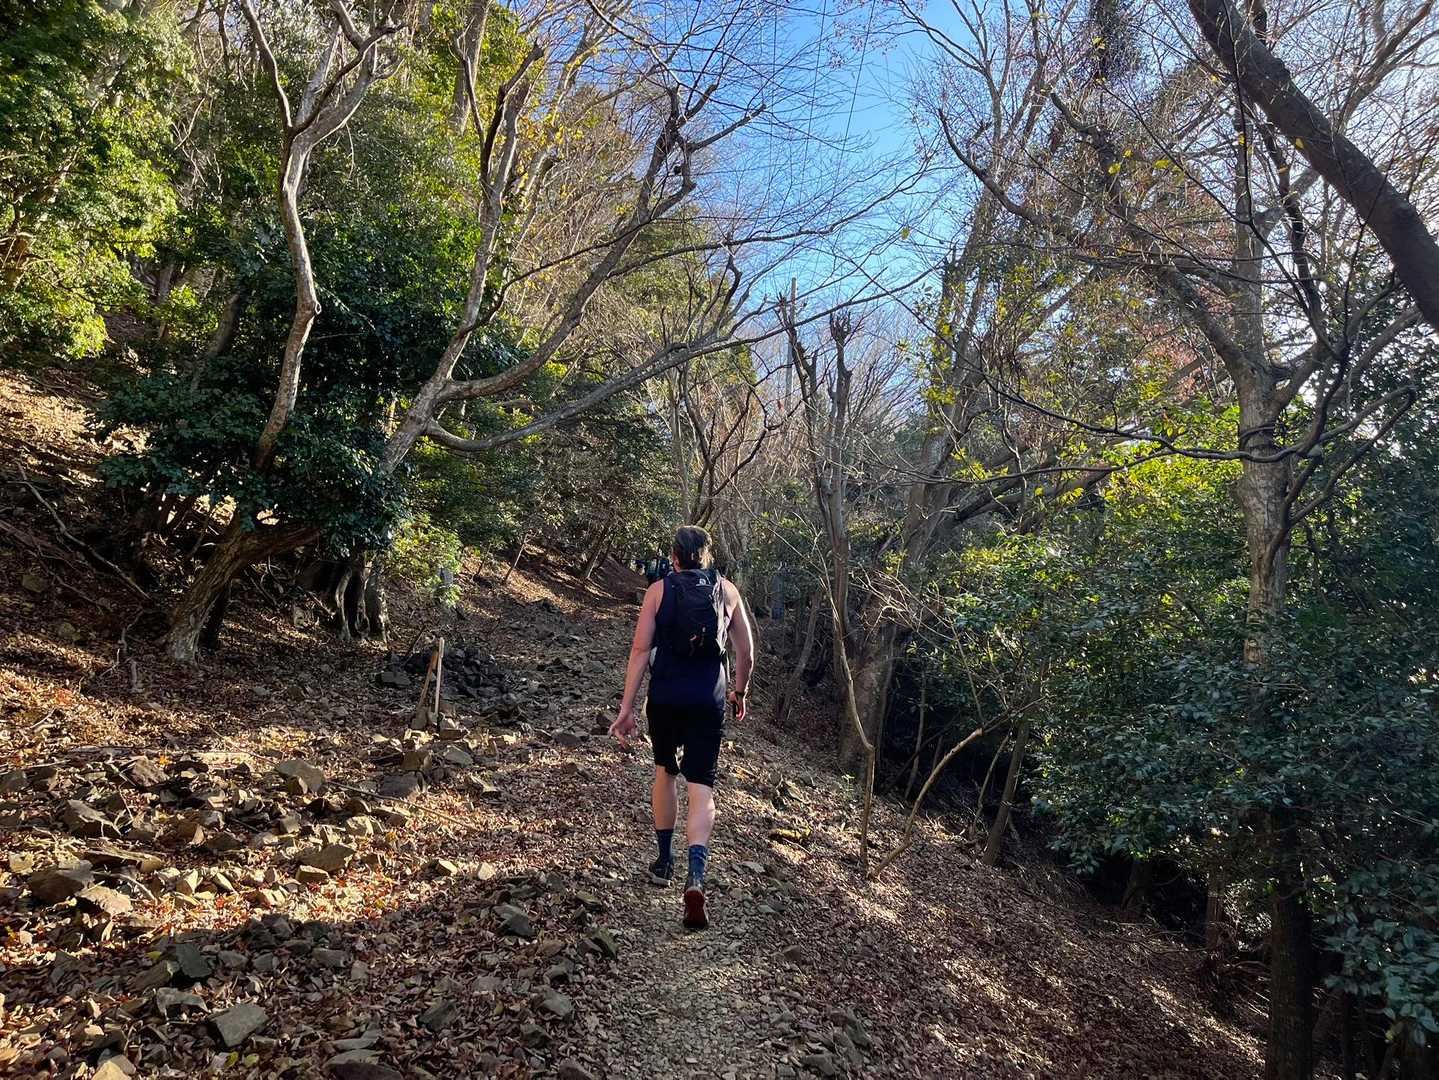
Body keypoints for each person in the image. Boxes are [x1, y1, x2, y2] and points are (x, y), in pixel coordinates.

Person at [609, 524, 753, 930]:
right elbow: (746, 652)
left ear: (673, 557)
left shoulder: (658, 591)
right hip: (708, 699)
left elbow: (640, 649)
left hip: (666, 698)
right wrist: (739, 692)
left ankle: (662, 861)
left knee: (665, 773)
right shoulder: (727, 591)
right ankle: (696, 875)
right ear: (707, 556)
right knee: (701, 786)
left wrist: (627, 708)